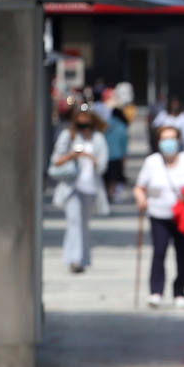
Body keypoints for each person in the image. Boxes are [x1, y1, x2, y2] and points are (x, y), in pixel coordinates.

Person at [134, 124, 184, 307]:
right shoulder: (152, 162)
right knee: (159, 251)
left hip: (183, 216)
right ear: (159, 142)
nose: (168, 143)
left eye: (172, 138)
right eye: (165, 139)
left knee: (183, 254)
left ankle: (180, 291)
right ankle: (156, 291)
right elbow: (139, 187)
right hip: (158, 214)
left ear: (178, 140)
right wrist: (141, 200)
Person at [49, 108, 109, 273]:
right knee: (73, 222)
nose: (84, 125)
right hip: (71, 186)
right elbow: (55, 160)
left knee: (84, 224)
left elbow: (103, 165)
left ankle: (84, 258)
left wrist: (91, 158)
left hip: (90, 187)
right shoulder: (68, 136)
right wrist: (72, 156)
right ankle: (73, 259)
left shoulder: (98, 139)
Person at [103, 108, 129, 201]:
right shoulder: (122, 126)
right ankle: (111, 193)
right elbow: (124, 142)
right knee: (113, 177)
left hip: (105, 154)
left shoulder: (104, 124)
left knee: (106, 176)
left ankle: (106, 193)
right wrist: (124, 156)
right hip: (117, 155)